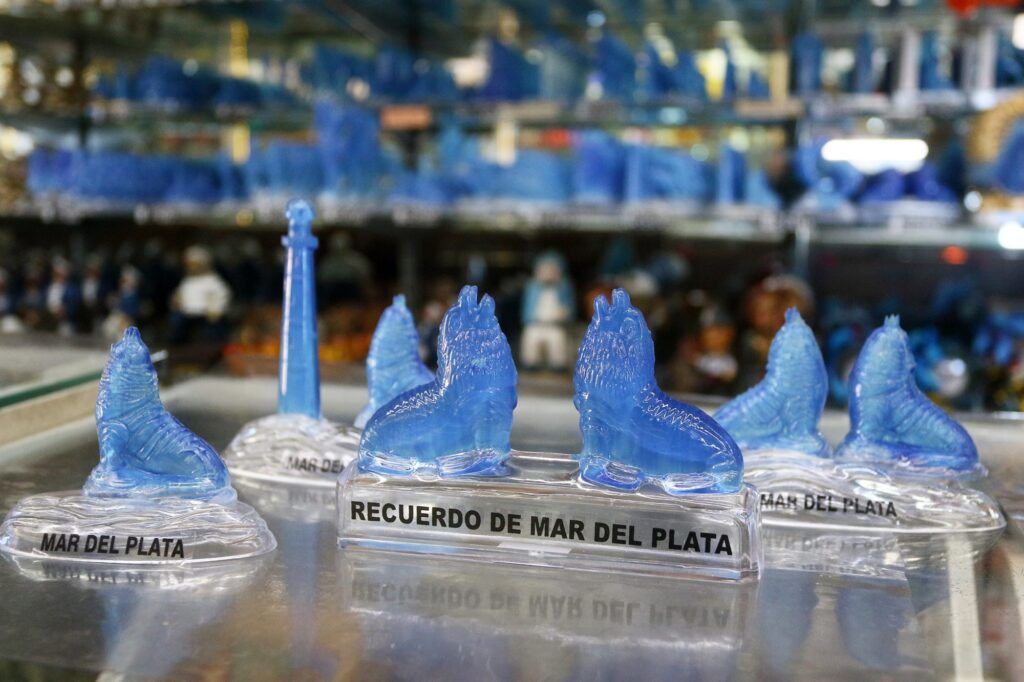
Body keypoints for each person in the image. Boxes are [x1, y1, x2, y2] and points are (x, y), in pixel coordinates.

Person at [169, 245, 231, 344]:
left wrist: (216, 310)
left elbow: (222, 297)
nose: (191, 267)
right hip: (187, 315)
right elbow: (179, 295)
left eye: (194, 264)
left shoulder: (213, 281)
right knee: (176, 321)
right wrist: (176, 300)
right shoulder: (187, 281)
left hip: (205, 315)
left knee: (212, 330)